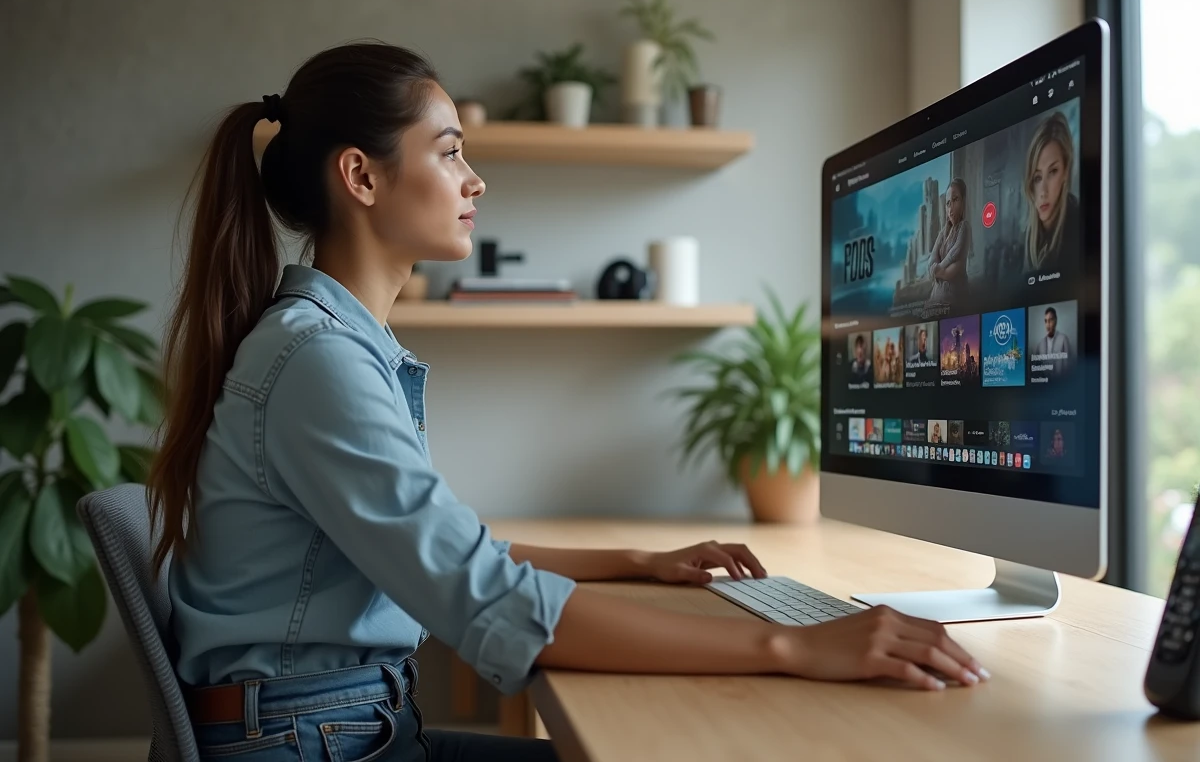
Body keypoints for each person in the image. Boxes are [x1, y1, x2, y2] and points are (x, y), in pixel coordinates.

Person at [147, 42, 985, 762]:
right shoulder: (319, 360)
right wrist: (791, 645)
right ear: (361, 176)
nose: (475, 181)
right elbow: (482, 594)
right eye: (449, 153)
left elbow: (449, 549)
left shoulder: (332, 345)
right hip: (316, 744)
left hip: (337, 728)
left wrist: (637, 563)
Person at [1024, 112, 1080, 276]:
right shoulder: (1030, 236)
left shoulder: (1078, 226)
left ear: (1065, 171)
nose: (1043, 191)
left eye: (1053, 171)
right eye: (1037, 178)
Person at [927, 179, 971, 307]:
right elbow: (931, 259)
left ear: (963, 201)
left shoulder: (964, 227)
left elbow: (955, 255)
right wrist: (935, 268)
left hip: (955, 302)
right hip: (935, 300)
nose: (950, 208)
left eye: (955, 200)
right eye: (947, 203)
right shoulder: (943, 232)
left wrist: (939, 268)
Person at [1034, 306, 1073, 375]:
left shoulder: (1064, 339)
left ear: (1056, 321)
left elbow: (1068, 366)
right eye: (1046, 321)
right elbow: (1036, 369)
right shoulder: (1040, 344)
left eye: (1050, 320)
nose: (1048, 324)